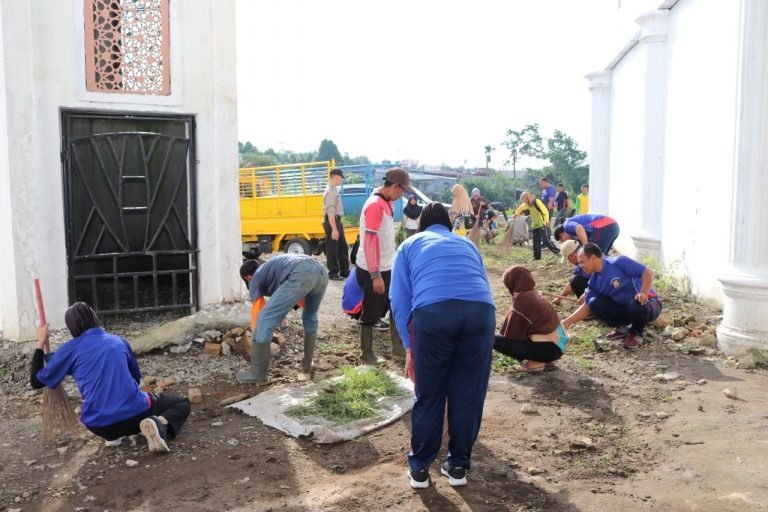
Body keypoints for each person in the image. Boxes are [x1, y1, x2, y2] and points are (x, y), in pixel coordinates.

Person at [390, 202, 495, 489]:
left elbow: (399, 300)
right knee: (468, 394)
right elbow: (482, 283)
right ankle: (458, 466)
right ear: (448, 227)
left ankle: (421, 469)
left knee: (430, 393)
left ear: (422, 226)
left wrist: (410, 347)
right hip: (480, 314)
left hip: (434, 316)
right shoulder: (467, 245)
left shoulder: (410, 245)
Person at [30, 302, 191, 452]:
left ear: (71, 328)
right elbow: (136, 378)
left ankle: (113, 437)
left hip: (99, 425)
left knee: (108, 415)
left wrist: (40, 342)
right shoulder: (119, 341)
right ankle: (158, 424)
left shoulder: (68, 351)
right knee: (182, 404)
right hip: (135, 417)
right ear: (94, 318)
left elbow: (36, 381)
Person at [238, 254, 329, 383]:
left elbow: (259, 313)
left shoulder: (255, 278)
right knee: (310, 315)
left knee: (263, 318)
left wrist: (258, 334)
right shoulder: (271, 269)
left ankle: (258, 374)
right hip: (321, 270)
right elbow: (298, 299)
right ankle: (307, 366)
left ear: (248, 277)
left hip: (301, 271)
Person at [356, 167, 410, 364]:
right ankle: (367, 354)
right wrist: (375, 274)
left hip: (387, 266)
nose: (402, 194)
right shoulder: (375, 205)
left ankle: (398, 350)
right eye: (402, 190)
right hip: (373, 269)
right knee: (371, 311)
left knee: (396, 306)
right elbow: (370, 241)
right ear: (394, 186)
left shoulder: (387, 202)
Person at [562, 243, 662, 349]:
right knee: (593, 302)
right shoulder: (594, 282)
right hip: (626, 309)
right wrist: (566, 322)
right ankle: (623, 327)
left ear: (593, 258)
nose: (580, 266)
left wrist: (643, 292)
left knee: (636, 303)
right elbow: (587, 306)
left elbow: (648, 272)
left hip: (648, 304)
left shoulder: (618, 262)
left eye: (582, 262)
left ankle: (636, 333)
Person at [493, 266, 569, 371]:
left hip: (547, 350)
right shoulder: (534, 293)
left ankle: (535, 362)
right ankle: (543, 359)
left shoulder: (522, 298)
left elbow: (512, 335)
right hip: (557, 348)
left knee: (493, 338)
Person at [513, 192, 560, 260]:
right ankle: (536, 257)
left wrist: (546, 221)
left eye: (524, 199)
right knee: (535, 242)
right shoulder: (527, 204)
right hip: (535, 225)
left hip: (542, 223)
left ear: (527, 198)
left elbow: (545, 211)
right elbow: (521, 208)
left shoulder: (536, 201)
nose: (524, 201)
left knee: (545, 240)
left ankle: (556, 251)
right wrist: (516, 214)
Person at [322, 168, 349, 281]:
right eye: (340, 178)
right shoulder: (330, 191)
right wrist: (334, 229)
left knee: (343, 247)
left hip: (336, 221)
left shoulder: (334, 190)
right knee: (333, 248)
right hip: (332, 221)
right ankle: (333, 272)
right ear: (335, 177)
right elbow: (330, 212)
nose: (341, 180)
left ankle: (344, 271)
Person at [554, 213, 620, 255]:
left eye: (563, 241)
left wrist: (586, 248)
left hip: (603, 227)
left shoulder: (566, 225)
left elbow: (579, 228)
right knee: (602, 255)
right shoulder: (571, 222)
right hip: (613, 225)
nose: (566, 242)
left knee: (593, 254)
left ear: (562, 236)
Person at [552, 239, 589, 304]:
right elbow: (570, 285)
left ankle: (588, 306)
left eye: (568, 258)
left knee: (577, 281)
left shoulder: (589, 262)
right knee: (575, 280)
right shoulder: (580, 264)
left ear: (573, 255)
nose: (569, 261)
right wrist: (559, 298)